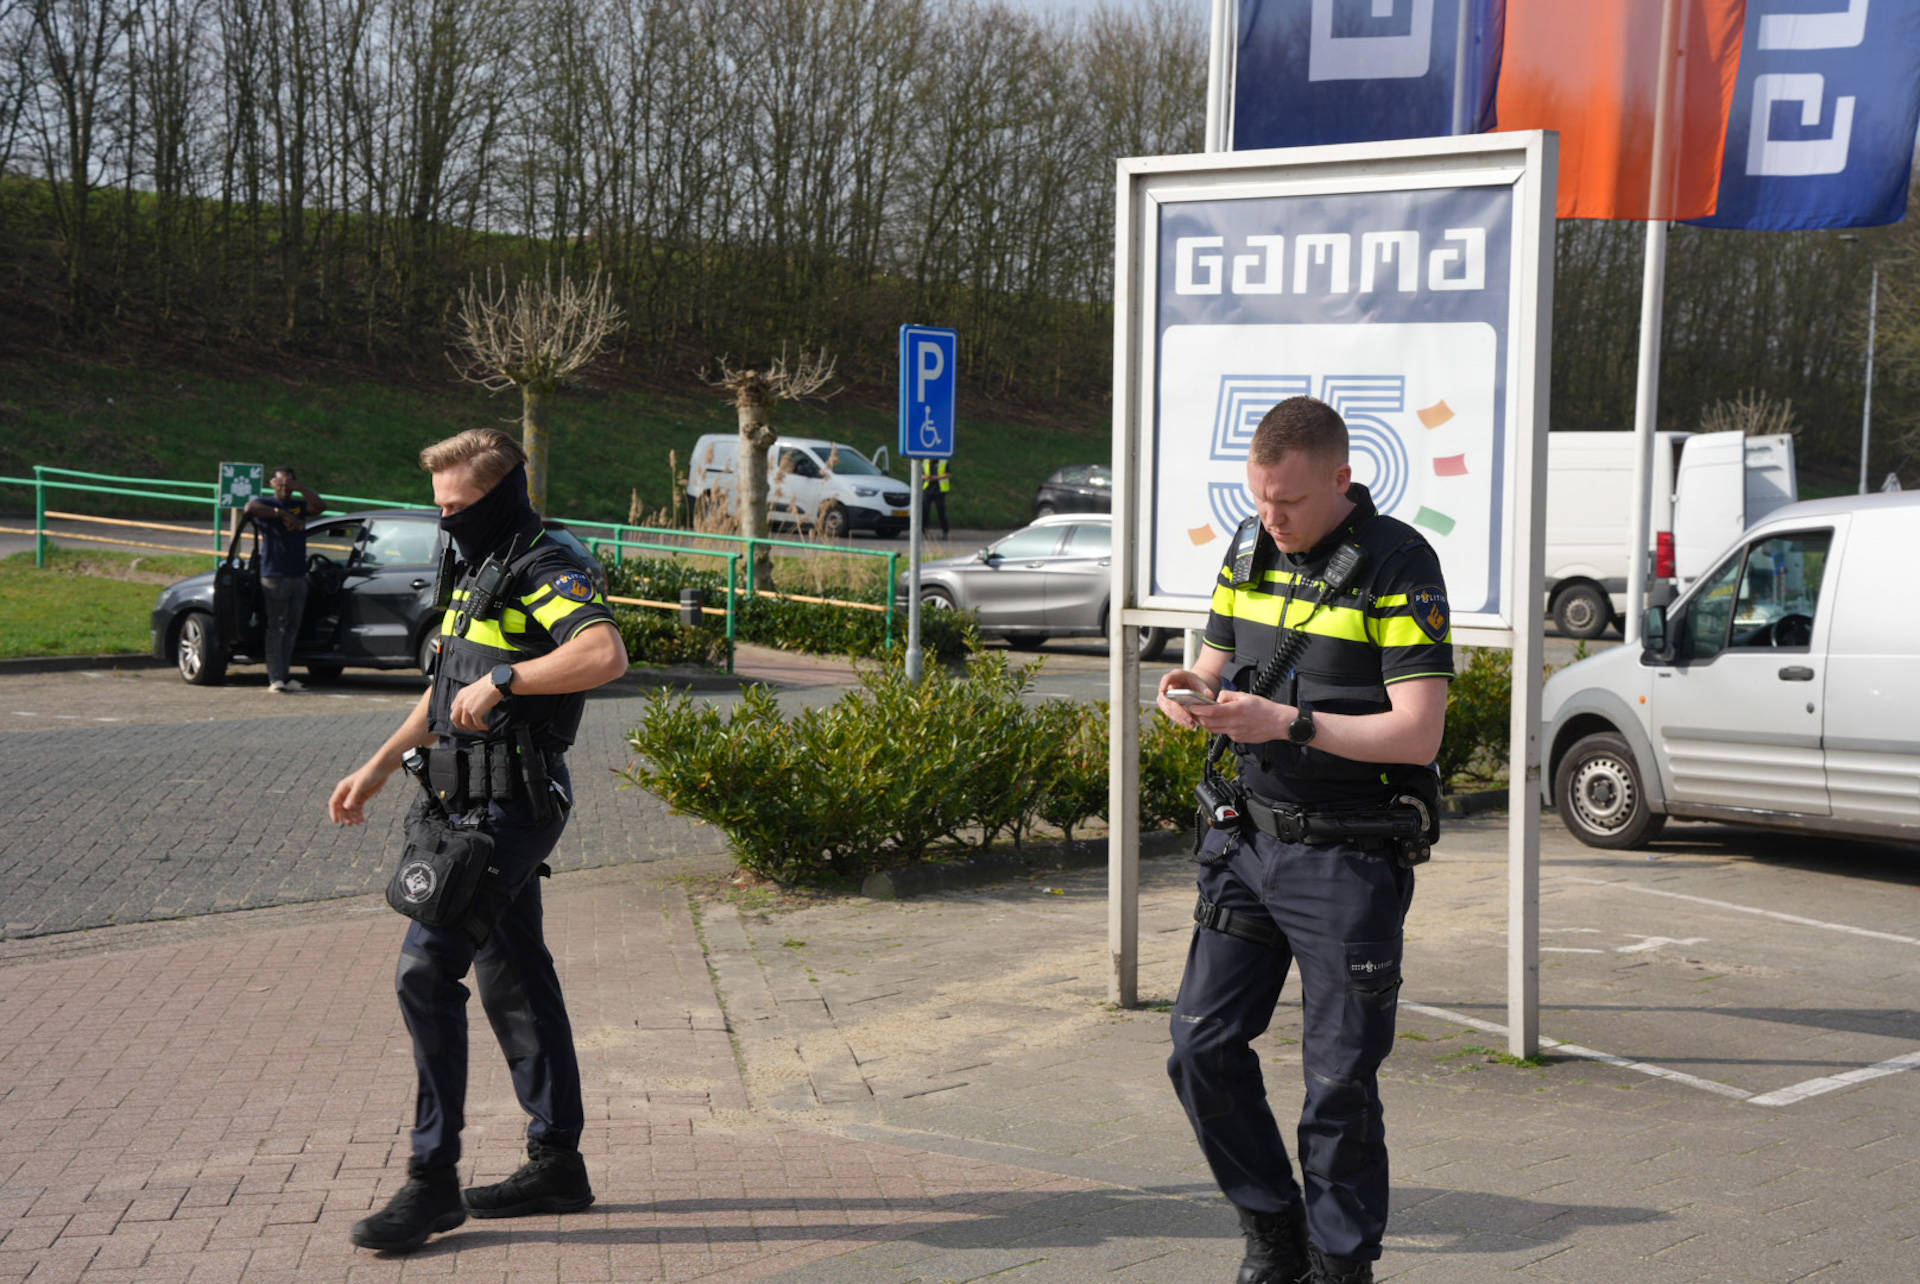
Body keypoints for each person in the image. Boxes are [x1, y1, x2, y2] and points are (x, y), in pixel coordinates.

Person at [1156, 397, 1451, 1284]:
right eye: (1259, 499)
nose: (1271, 519)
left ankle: (1338, 1265)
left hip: (1347, 861)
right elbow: (1207, 669)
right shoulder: (1246, 549)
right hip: (1247, 844)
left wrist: (1286, 721)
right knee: (1200, 1047)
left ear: (1340, 478)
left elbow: (1418, 734)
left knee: (1337, 1087)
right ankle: (1273, 1232)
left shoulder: (1402, 564)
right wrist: (1185, 694)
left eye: (1287, 502)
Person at [328, 428, 628, 1254]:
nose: (446, 521)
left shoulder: (542, 560)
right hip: (461, 799)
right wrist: (381, 764)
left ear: (498, 497)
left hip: (515, 803)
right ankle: (557, 1164)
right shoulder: (477, 563)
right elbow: (447, 684)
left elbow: (604, 652)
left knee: (425, 971)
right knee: (513, 974)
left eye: (458, 508)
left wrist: (513, 680)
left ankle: (432, 1182)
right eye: (439, 509)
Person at [243, 467, 325, 692]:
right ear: (272, 484)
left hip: (298, 574)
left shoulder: (298, 504)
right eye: (280, 484)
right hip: (274, 575)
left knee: (291, 627)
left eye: (288, 484)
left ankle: (286, 675)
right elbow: (250, 508)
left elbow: (320, 507)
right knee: (276, 627)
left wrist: (300, 489)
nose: (284, 488)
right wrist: (282, 514)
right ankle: (275, 677)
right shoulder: (266, 503)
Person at [920, 456, 952, 538]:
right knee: (925, 511)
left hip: (940, 490)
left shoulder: (943, 461)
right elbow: (920, 474)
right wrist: (925, 477)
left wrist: (934, 478)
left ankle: (945, 532)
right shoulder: (925, 461)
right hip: (927, 490)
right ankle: (924, 532)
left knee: (941, 511)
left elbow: (948, 474)